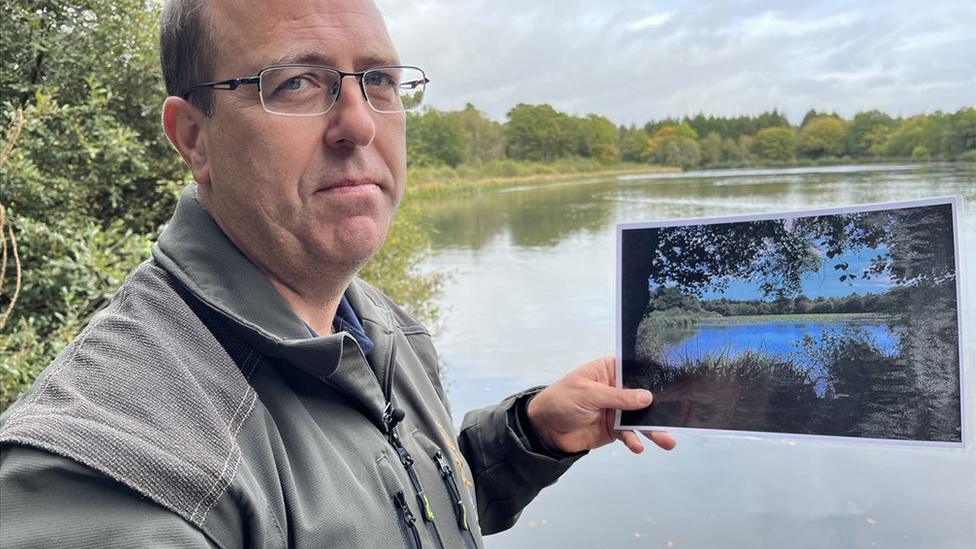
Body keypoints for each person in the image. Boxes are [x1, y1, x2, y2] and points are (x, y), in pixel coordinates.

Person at [0, 0, 675, 546]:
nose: (357, 123)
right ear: (194, 137)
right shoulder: (114, 469)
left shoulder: (381, 325)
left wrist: (530, 433)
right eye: (296, 82)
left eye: (379, 81)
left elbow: (399, 500)